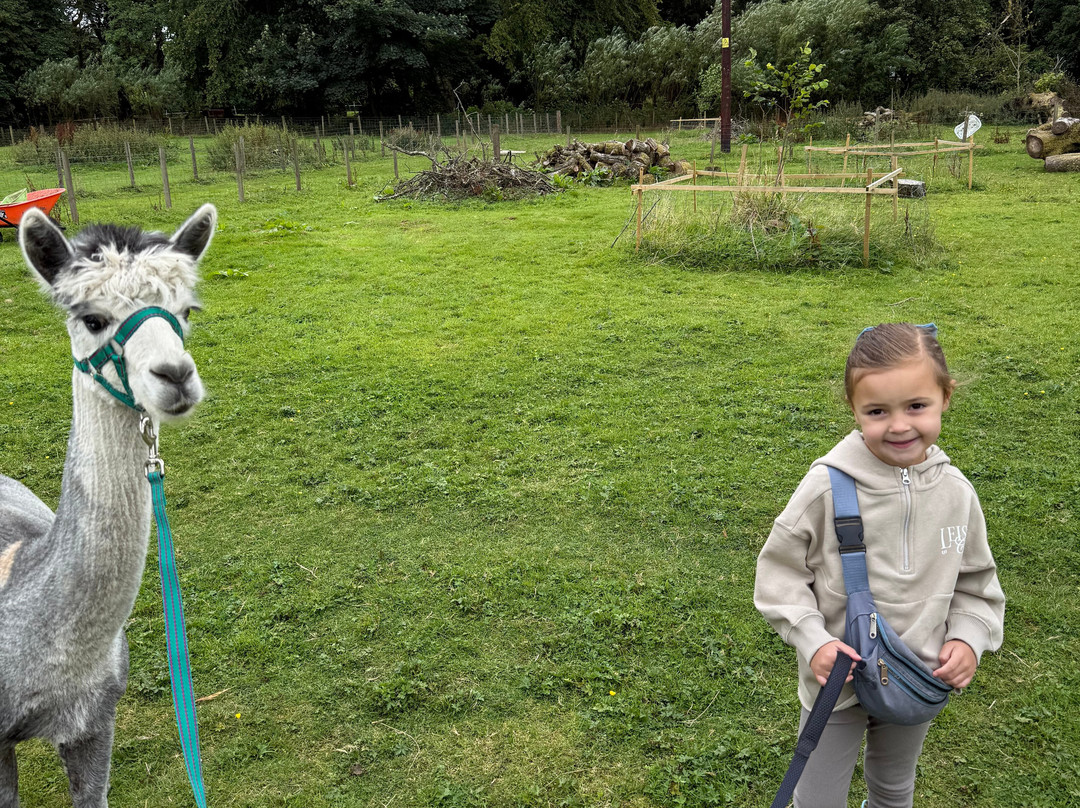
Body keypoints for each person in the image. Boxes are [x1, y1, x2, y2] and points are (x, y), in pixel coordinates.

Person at [754, 323, 1005, 808]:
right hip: (837, 684)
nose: (899, 425)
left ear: (945, 396)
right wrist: (814, 640)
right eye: (876, 411)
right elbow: (779, 575)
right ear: (854, 410)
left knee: (894, 789)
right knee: (819, 798)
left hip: (916, 676)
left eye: (916, 406)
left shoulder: (956, 494)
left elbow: (976, 583)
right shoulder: (827, 488)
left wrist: (969, 638)